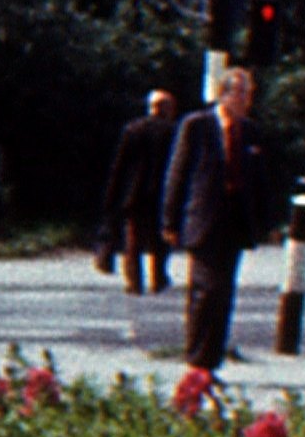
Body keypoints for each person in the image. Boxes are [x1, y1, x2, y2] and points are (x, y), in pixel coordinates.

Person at [163, 64, 276, 376]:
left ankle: (212, 360)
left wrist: (268, 221)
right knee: (205, 291)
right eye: (240, 93)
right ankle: (196, 359)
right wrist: (170, 220)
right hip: (204, 220)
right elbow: (178, 173)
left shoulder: (250, 132)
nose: (245, 100)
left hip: (235, 224)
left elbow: (260, 180)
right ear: (223, 95)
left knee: (224, 293)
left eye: (249, 94)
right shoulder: (197, 125)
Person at [98, 87, 182, 295]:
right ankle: (159, 276)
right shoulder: (174, 132)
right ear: (167, 108)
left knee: (133, 240)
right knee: (161, 239)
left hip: (134, 194)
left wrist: (113, 195)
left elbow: (120, 166)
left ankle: (134, 281)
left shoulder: (133, 130)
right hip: (162, 194)